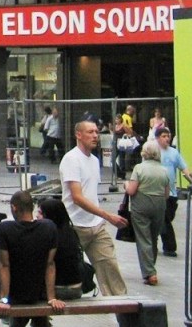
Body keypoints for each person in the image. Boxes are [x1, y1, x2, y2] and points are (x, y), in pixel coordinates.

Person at [0, 191, 64, 327]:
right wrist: (51, 298)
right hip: (35, 292)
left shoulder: (4, 228)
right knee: (27, 317)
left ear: (14, 208)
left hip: (11, 292)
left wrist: (4, 299)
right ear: (32, 207)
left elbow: (4, 266)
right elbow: (50, 265)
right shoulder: (49, 227)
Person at [59, 119, 129, 302]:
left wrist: (100, 218)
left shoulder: (95, 160)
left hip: (96, 226)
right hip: (75, 227)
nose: (95, 136)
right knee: (65, 274)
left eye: (97, 132)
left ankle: (123, 309)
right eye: (90, 132)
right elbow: (77, 197)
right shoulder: (71, 159)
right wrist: (107, 215)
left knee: (110, 268)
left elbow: (91, 195)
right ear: (78, 135)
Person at [125, 140, 170, 286]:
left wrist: (126, 184)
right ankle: (151, 267)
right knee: (153, 237)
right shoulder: (164, 170)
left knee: (143, 238)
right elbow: (167, 194)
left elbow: (131, 190)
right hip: (159, 205)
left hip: (141, 205)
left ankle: (150, 273)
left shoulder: (139, 168)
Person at [37, 198, 92, 301]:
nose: (36, 216)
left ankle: (37, 317)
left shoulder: (47, 235)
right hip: (76, 288)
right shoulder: (71, 233)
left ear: (49, 215)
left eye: (40, 213)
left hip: (56, 290)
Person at [154, 126, 192, 259]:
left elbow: (184, 169)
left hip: (171, 193)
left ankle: (153, 238)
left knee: (166, 218)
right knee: (165, 219)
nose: (167, 138)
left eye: (168, 136)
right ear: (157, 138)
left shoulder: (174, 152)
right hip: (157, 192)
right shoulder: (153, 152)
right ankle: (170, 247)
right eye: (164, 136)